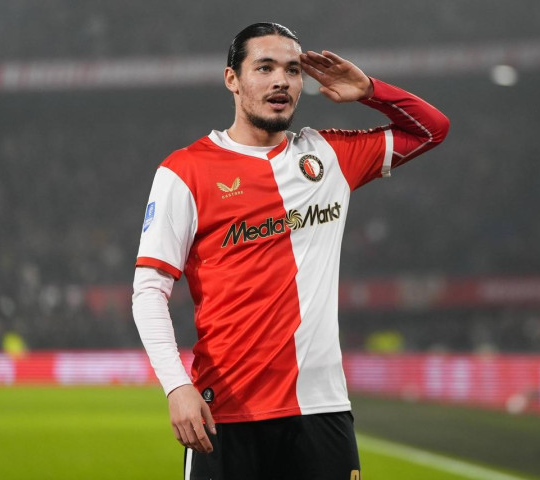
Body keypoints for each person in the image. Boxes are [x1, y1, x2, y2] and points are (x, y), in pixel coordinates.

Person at [132, 22, 449, 480]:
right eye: (265, 68)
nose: (281, 80)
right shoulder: (185, 171)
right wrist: (176, 385)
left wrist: (370, 90)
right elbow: (149, 291)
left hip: (322, 410)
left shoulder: (330, 156)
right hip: (227, 412)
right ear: (232, 79)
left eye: (293, 69)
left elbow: (432, 130)